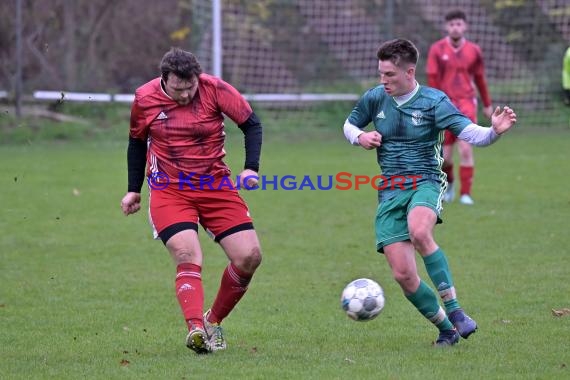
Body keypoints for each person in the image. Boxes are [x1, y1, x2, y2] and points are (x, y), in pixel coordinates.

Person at [342, 38, 516, 346]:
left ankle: (457, 311)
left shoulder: (434, 101)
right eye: (381, 74)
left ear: (409, 72)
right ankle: (447, 329)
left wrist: (493, 132)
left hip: (425, 181)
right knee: (403, 275)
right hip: (390, 191)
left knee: (419, 232)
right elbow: (349, 125)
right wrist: (360, 137)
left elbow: (469, 132)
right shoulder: (374, 98)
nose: (383, 81)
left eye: (390, 75)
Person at [120, 47, 263, 354]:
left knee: (249, 256)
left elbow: (251, 124)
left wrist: (251, 167)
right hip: (169, 190)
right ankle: (196, 329)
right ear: (164, 80)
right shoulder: (144, 98)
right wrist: (134, 188)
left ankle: (212, 321)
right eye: (177, 89)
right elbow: (136, 142)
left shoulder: (215, 89)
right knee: (187, 253)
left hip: (215, 186)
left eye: (190, 88)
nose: (185, 95)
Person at [426, 10, 493, 205]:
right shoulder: (437, 49)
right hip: (444, 106)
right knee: (445, 158)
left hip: (466, 103)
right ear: (447, 27)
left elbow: (480, 79)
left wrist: (487, 104)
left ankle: (466, 194)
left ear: (465, 26)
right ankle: (451, 185)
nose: (455, 27)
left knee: (465, 149)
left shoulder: (474, 50)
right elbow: (432, 79)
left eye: (459, 24)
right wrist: (433, 105)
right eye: (452, 24)